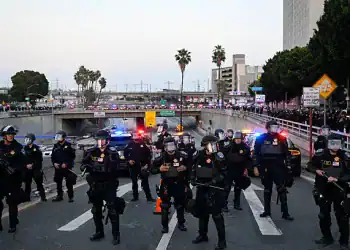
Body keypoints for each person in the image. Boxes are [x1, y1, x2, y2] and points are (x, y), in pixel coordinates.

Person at [81, 129, 124, 245]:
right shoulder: (92, 152)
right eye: (98, 140)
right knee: (96, 210)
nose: (100, 142)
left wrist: (98, 168)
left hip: (108, 185)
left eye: (102, 140)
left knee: (113, 210)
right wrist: (85, 166)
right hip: (95, 185)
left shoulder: (112, 152)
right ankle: (99, 232)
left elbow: (115, 169)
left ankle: (116, 235)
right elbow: (84, 162)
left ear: (107, 140)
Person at [312, 134, 350, 249]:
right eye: (332, 143)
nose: (335, 146)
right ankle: (327, 237)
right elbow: (310, 165)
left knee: (342, 216)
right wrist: (317, 170)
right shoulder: (320, 154)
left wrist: (338, 179)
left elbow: (349, 174)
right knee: (323, 215)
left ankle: (344, 241)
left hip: (339, 189)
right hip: (323, 189)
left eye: (337, 143)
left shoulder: (345, 157)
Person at [191, 135, 227, 250]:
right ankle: (202, 235)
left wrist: (213, 181)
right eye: (210, 144)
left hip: (215, 189)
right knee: (202, 213)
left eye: (214, 144)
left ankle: (222, 242)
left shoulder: (219, 156)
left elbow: (224, 173)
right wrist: (192, 178)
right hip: (202, 188)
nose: (213, 146)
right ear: (205, 145)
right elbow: (193, 168)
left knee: (217, 216)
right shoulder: (199, 155)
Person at [254, 120, 294, 220]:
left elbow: (287, 154)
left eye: (276, 127)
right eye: (272, 127)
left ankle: (285, 213)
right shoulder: (261, 138)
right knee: (267, 190)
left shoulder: (282, 138)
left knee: (282, 189)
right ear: (267, 128)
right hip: (266, 167)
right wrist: (256, 166)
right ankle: (267, 211)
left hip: (279, 167)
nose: (274, 129)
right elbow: (256, 154)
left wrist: (288, 166)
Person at [151, 136, 190, 233]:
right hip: (166, 184)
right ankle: (165, 226)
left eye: (172, 145)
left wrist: (185, 168)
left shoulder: (182, 155)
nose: (171, 148)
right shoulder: (161, 157)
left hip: (179, 183)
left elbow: (191, 166)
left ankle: (181, 223)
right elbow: (152, 169)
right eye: (168, 146)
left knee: (180, 205)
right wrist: (159, 169)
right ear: (165, 147)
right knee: (164, 206)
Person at [0, 125, 25, 233]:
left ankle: (13, 224)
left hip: (12, 179)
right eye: (8, 134)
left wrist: (15, 170)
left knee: (12, 202)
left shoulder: (17, 147)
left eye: (12, 134)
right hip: (0, 179)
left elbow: (22, 162)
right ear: (4, 135)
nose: (10, 136)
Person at [124, 132, 155, 202]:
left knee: (145, 183)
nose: (136, 138)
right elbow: (125, 154)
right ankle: (135, 197)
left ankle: (149, 197)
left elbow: (148, 155)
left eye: (136, 136)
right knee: (134, 182)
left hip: (142, 166)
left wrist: (147, 165)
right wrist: (128, 160)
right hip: (133, 166)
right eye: (134, 136)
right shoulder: (129, 145)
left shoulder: (142, 144)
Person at [224, 131, 251, 211]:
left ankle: (237, 204)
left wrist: (246, 169)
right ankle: (224, 204)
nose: (238, 140)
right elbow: (223, 155)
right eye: (236, 139)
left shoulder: (245, 147)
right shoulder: (229, 146)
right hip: (230, 169)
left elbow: (247, 158)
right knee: (227, 187)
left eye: (239, 139)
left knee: (238, 188)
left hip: (240, 169)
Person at [51, 130, 76, 202]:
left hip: (66, 167)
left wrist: (66, 163)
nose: (58, 138)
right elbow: (53, 157)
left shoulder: (68, 145)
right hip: (58, 167)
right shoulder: (56, 146)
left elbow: (72, 156)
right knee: (58, 182)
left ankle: (70, 197)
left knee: (69, 182)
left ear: (64, 137)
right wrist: (54, 163)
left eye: (60, 136)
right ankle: (59, 196)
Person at [23, 133, 47, 202]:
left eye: (28, 139)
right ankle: (27, 198)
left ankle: (43, 197)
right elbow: (24, 159)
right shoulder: (25, 148)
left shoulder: (36, 149)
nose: (26, 140)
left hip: (35, 169)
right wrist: (26, 165)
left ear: (32, 140)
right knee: (27, 184)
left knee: (39, 183)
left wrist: (32, 165)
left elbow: (39, 160)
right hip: (27, 169)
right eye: (26, 139)